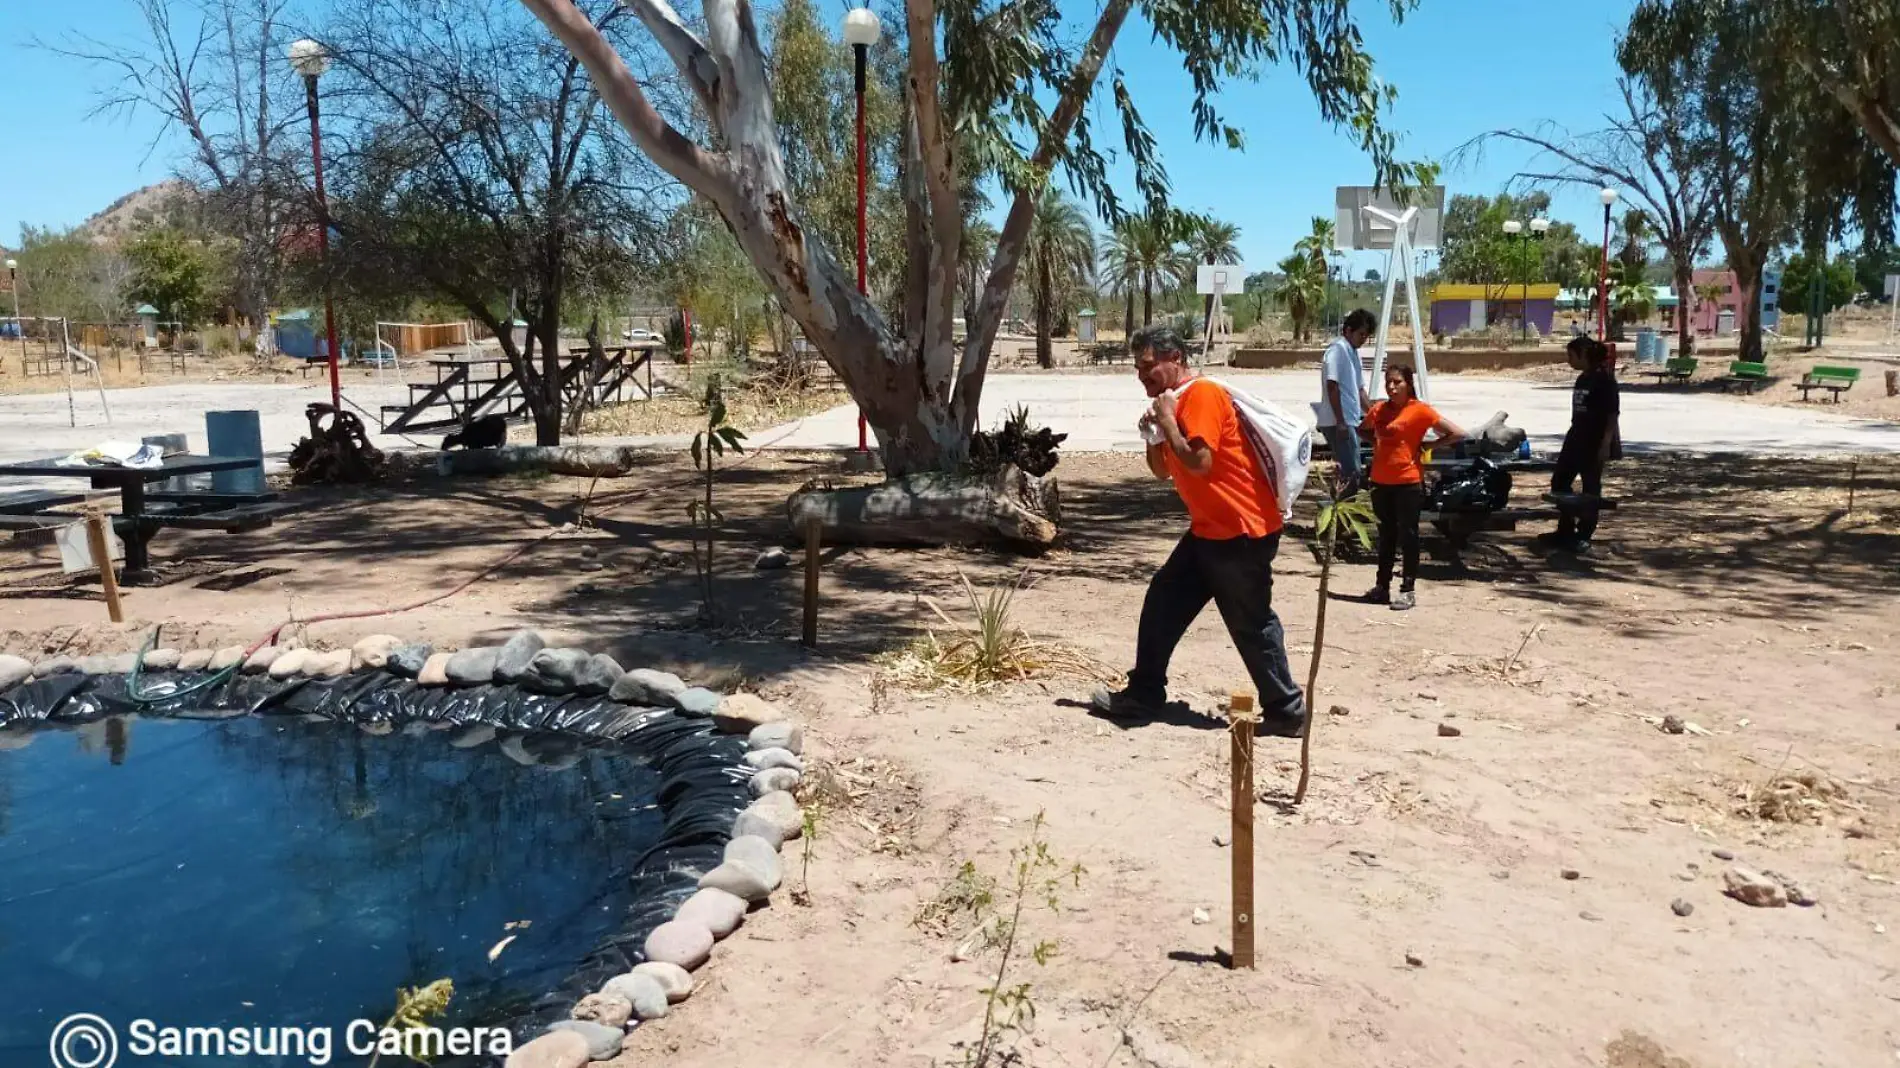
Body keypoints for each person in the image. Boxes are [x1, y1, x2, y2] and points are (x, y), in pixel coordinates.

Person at [1094, 325, 1306, 736]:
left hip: (1241, 532)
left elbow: (1200, 462)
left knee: (1251, 621)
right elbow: (1161, 472)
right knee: (1163, 602)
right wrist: (1154, 436)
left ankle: (1287, 711)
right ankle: (1144, 692)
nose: (1143, 376)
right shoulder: (1172, 404)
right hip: (1210, 532)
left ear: (1176, 359)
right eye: (1138, 369)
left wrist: (1170, 422)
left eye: (1149, 366)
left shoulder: (1203, 395)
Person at [1361, 365, 1464, 610]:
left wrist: (1429, 446)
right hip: (1380, 481)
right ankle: (1382, 586)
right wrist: (1376, 441)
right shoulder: (1379, 410)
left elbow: (1457, 433)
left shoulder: (1419, 411)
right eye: (1388, 382)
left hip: (1408, 483)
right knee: (1386, 535)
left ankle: (1407, 589)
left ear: (1408, 384)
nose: (1391, 387)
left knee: (1408, 535)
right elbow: (1362, 430)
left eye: (1397, 382)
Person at [1545, 336, 1621, 552]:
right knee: (1559, 482)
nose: (1569, 360)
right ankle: (1565, 530)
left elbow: (1612, 415)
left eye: (1571, 355)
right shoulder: (1582, 379)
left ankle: (1584, 534)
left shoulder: (1604, 380)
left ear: (1584, 354)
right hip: (1575, 437)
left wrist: (1606, 444)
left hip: (1594, 441)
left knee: (1590, 489)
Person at [1317, 309, 1376, 493]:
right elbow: (1332, 385)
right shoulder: (1337, 350)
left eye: (1366, 336)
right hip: (1339, 422)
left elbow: (1359, 391)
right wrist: (1341, 422)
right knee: (1352, 473)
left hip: (1350, 420)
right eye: (1361, 334)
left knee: (1351, 472)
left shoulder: (1353, 353)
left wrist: (1376, 413)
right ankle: (1342, 516)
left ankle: (1344, 514)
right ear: (1348, 330)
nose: (1363, 339)